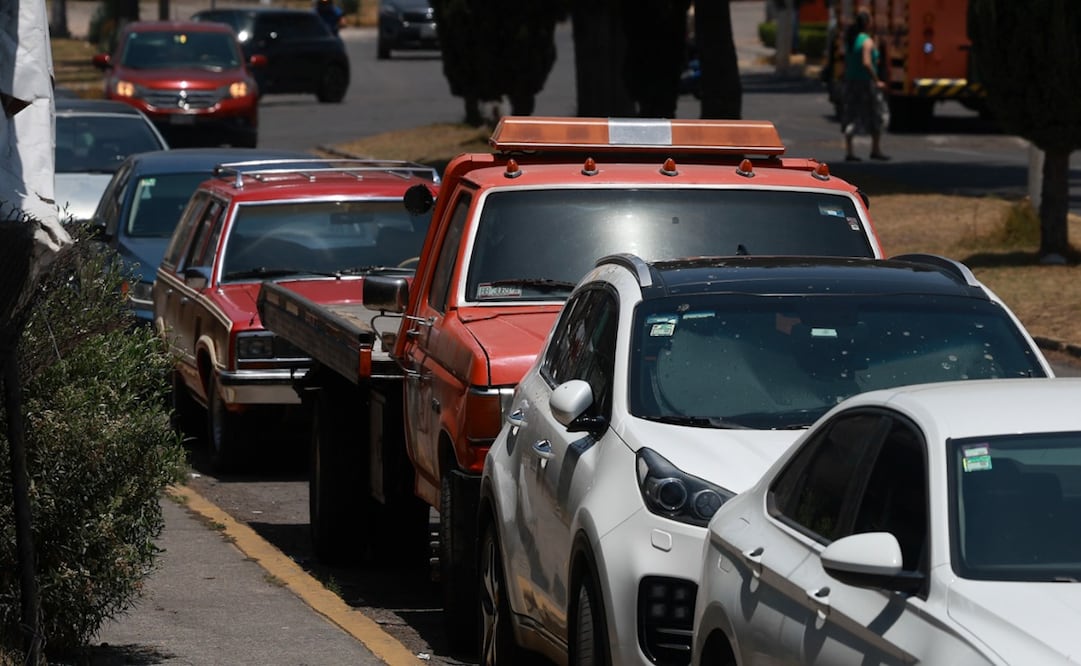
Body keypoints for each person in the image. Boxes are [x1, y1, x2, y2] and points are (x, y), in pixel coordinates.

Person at [841, 8, 889, 161]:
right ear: (867, 23)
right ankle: (875, 149)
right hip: (865, 83)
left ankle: (850, 151)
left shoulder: (851, 39)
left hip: (850, 81)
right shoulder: (866, 41)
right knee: (876, 113)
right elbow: (867, 62)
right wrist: (877, 81)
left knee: (851, 114)